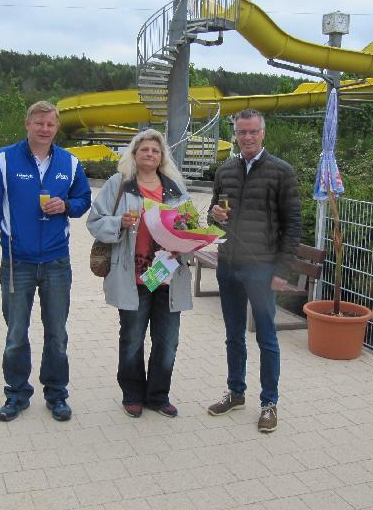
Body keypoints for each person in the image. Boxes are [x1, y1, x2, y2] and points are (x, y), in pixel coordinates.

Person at [0, 101, 91, 423]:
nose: (44, 129)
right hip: (17, 262)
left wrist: (66, 205)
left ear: (57, 128)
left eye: (50, 125)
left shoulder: (69, 162)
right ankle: (16, 394)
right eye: (38, 123)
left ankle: (56, 394)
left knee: (57, 332)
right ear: (27, 124)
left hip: (56, 262)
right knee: (16, 333)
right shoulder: (3, 160)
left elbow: (84, 201)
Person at [206, 108, 301, 433]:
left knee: (266, 337)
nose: (247, 137)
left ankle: (269, 403)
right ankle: (236, 392)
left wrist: (282, 271)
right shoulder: (226, 170)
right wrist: (215, 215)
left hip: (263, 269)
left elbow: (293, 226)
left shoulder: (281, 172)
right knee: (233, 335)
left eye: (253, 132)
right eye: (242, 132)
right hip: (229, 265)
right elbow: (211, 216)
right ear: (235, 134)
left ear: (263, 134)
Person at [87, 129, 192, 419]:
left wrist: (184, 242)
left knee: (167, 341)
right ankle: (132, 394)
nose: (149, 154)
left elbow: (190, 225)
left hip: (167, 274)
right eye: (144, 149)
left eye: (155, 151)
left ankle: (158, 396)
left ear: (162, 157)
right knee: (132, 339)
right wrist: (119, 222)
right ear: (134, 154)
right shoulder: (119, 185)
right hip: (133, 276)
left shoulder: (174, 188)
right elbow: (94, 222)